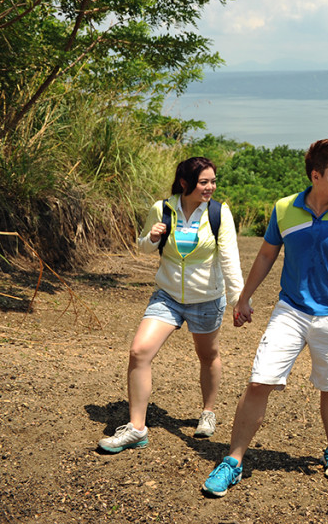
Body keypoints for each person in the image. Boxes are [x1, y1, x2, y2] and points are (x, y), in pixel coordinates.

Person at [202, 138, 328, 497]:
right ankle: (233, 461)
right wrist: (244, 297)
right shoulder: (284, 209)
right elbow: (266, 256)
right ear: (316, 176)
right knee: (258, 382)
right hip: (290, 311)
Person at [97, 157, 244, 453]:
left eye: (213, 181)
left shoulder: (218, 213)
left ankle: (208, 412)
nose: (211, 187)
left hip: (206, 299)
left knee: (208, 355)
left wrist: (239, 300)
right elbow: (142, 245)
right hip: (167, 296)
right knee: (139, 351)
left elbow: (229, 259)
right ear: (185, 183)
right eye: (204, 182)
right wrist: (151, 238)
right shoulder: (163, 209)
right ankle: (137, 428)